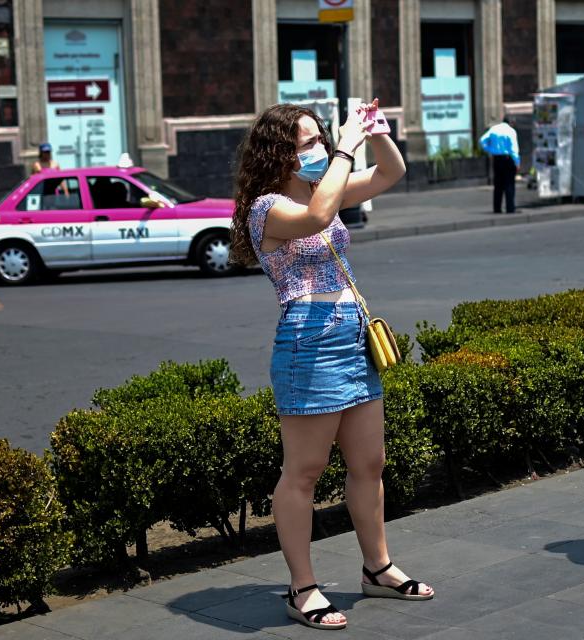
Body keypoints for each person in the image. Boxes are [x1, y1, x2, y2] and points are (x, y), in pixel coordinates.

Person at [229, 99, 434, 631]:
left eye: (320, 139)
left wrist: (376, 131)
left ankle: (378, 567)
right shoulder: (268, 209)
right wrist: (344, 148)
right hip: (307, 346)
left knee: (369, 462)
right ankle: (303, 588)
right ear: (280, 154)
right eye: (307, 144)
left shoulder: (327, 189)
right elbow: (318, 216)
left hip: (351, 338)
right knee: (304, 472)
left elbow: (392, 171)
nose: (319, 149)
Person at [479, 117, 521, 213]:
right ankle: (510, 208)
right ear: (510, 122)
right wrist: (517, 162)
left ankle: (497, 208)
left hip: (497, 158)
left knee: (498, 184)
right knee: (509, 184)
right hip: (508, 158)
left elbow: (482, 140)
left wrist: (490, 150)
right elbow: (514, 148)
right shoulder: (511, 131)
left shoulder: (494, 129)